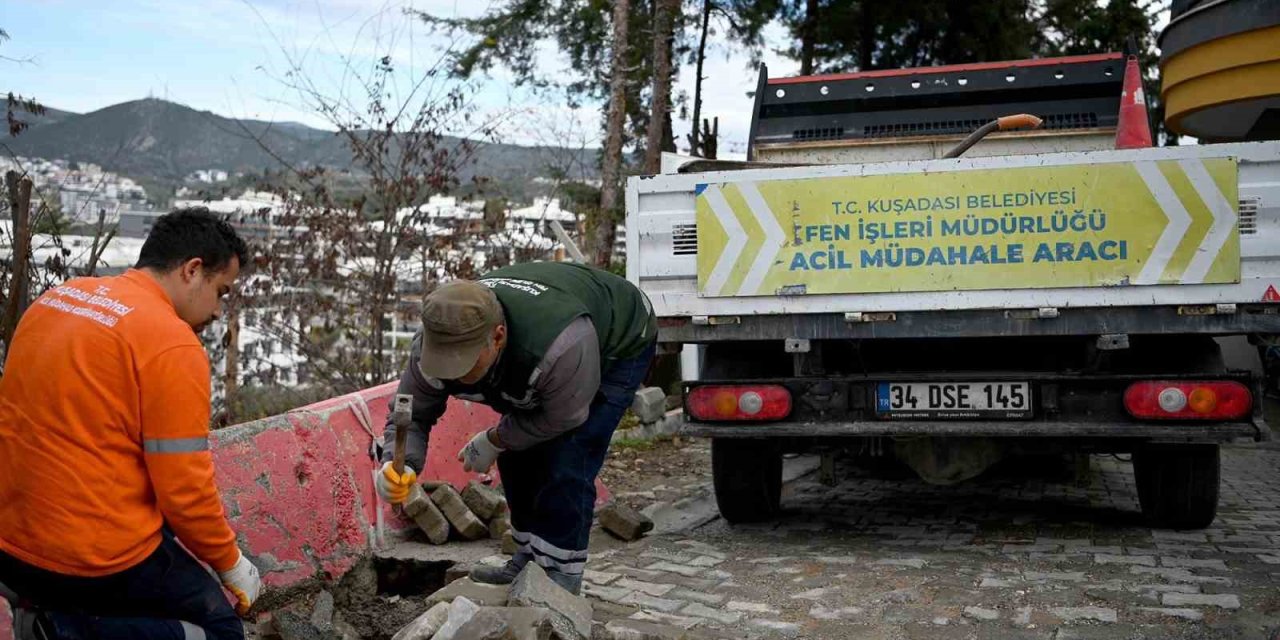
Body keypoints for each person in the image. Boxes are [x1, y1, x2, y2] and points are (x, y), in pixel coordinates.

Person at [0, 209, 262, 640]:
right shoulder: (171, 343)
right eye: (221, 291)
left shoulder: (58, 299)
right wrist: (229, 561)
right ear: (192, 270)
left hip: (11, 543)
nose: (217, 311)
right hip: (85, 560)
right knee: (222, 630)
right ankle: (61, 631)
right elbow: (185, 493)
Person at [375, 261, 657, 594]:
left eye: (464, 362)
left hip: (620, 339)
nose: (452, 374)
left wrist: (496, 438)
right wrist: (398, 464)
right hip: (537, 356)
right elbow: (413, 413)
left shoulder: (561, 344)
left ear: (497, 337)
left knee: (569, 457)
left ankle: (559, 582)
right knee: (517, 456)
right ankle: (526, 560)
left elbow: (564, 418)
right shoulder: (434, 340)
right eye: (445, 362)